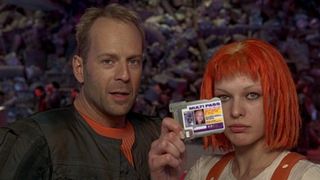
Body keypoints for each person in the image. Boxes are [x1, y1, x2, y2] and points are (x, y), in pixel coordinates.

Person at [0, 4, 161, 179]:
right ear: (79, 69)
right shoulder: (36, 140)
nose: (124, 75)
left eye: (133, 61)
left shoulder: (157, 136)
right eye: (108, 61)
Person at [148, 39, 320, 180]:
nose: (235, 111)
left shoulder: (305, 176)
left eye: (252, 95)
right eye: (224, 98)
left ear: (277, 100)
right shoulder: (204, 172)